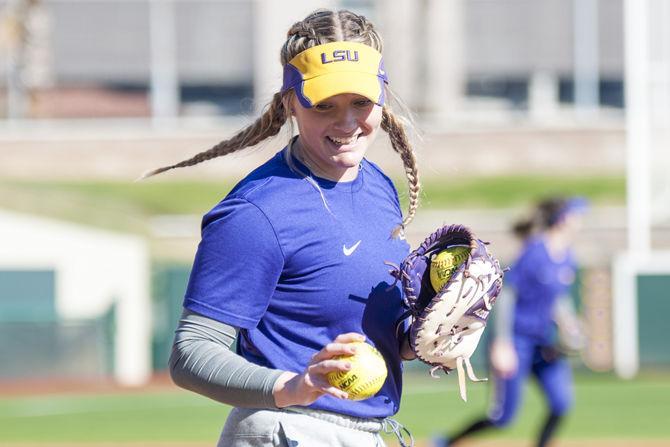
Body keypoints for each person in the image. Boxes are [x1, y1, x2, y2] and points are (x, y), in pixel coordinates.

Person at [143, 9, 420, 447]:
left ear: (382, 95)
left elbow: (367, 331)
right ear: (291, 101)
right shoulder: (257, 211)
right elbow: (191, 352)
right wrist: (293, 386)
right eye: (325, 104)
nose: (347, 123)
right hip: (289, 430)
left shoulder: (379, 188)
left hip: (364, 433)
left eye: (361, 102)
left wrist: (425, 337)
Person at [432, 197, 588, 447]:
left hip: (544, 342)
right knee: (503, 418)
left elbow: (557, 298)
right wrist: (502, 344)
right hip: (517, 340)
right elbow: (508, 294)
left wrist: (569, 322)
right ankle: (446, 442)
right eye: (576, 215)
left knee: (561, 402)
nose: (580, 221)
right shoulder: (535, 252)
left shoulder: (567, 256)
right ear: (562, 219)